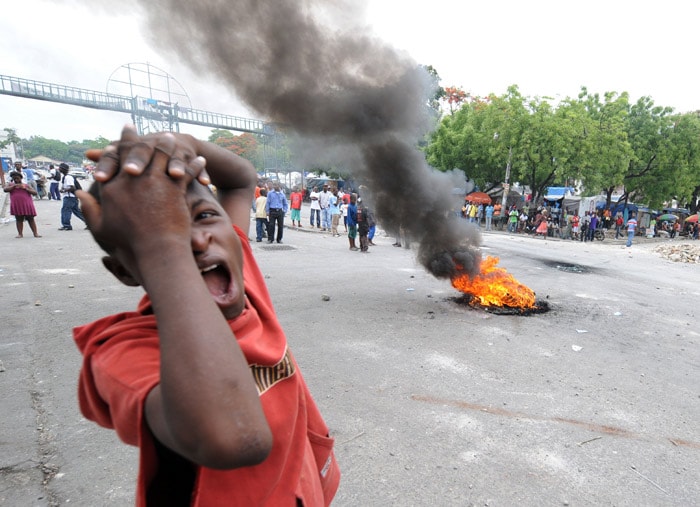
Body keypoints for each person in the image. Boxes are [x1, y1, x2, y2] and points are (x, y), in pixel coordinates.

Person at [73, 127, 340, 505]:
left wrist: (187, 145)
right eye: (165, 233)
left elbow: (241, 180)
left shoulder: (245, 281)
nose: (197, 241)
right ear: (124, 271)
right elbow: (238, 439)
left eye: (203, 216)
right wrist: (163, 245)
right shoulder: (121, 354)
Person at [3, 171, 41, 238]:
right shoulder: (10, 185)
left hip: (27, 205)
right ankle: (20, 234)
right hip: (17, 205)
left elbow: (35, 192)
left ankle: (35, 233)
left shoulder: (26, 185)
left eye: (17, 178)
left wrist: (25, 188)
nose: (16, 180)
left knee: (30, 219)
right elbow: (5, 190)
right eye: (14, 179)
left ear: (21, 178)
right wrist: (13, 186)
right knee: (19, 219)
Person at [58, 162, 86, 230]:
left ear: (63, 169)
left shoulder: (68, 177)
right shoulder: (65, 177)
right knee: (77, 211)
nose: (59, 169)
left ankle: (67, 225)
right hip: (72, 197)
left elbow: (72, 188)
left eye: (60, 168)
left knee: (66, 210)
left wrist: (64, 190)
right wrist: (62, 189)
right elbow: (66, 186)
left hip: (70, 197)